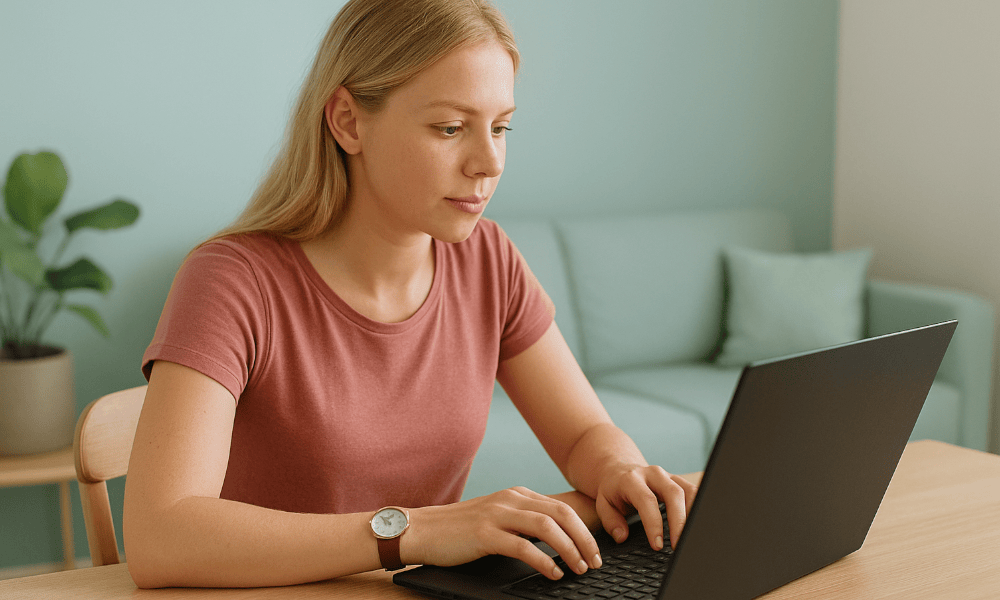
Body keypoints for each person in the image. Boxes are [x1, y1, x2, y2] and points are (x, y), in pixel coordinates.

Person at [123, 0, 696, 589]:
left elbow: (580, 436)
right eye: (450, 128)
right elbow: (159, 536)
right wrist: (409, 532)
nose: (489, 162)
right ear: (348, 122)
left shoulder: (488, 259)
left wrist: (620, 469)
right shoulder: (232, 280)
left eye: (501, 127)